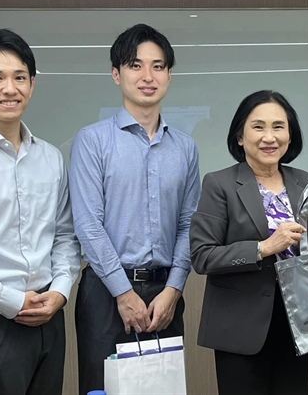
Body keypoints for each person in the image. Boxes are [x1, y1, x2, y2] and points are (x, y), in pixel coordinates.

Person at [70, 24, 201, 394]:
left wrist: (174, 289)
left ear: (169, 75)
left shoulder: (185, 148)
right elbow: (88, 225)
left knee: (163, 388)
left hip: (165, 294)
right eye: (135, 65)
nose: (147, 77)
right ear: (116, 74)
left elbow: (189, 224)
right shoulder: (92, 141)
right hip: (106, 293)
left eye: (158, 66)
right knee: (105, 389)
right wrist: (124, 294)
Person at [0, 29, 81, 395]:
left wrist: (59, 292)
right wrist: (10, 301)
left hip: (49, 319)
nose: (10, 88)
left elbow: (65, 236)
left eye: (19, 77)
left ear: (32, 84)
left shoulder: (50, 158)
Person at [190, 90, 308, 395]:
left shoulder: (305, 182)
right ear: (240, 136)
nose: (270, 137)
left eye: (279, 127)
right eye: (258, 127)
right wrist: (263, 248)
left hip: (296, 328)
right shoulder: (219, 184)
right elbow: (202, 255)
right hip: (240, 329)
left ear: (290, 136)